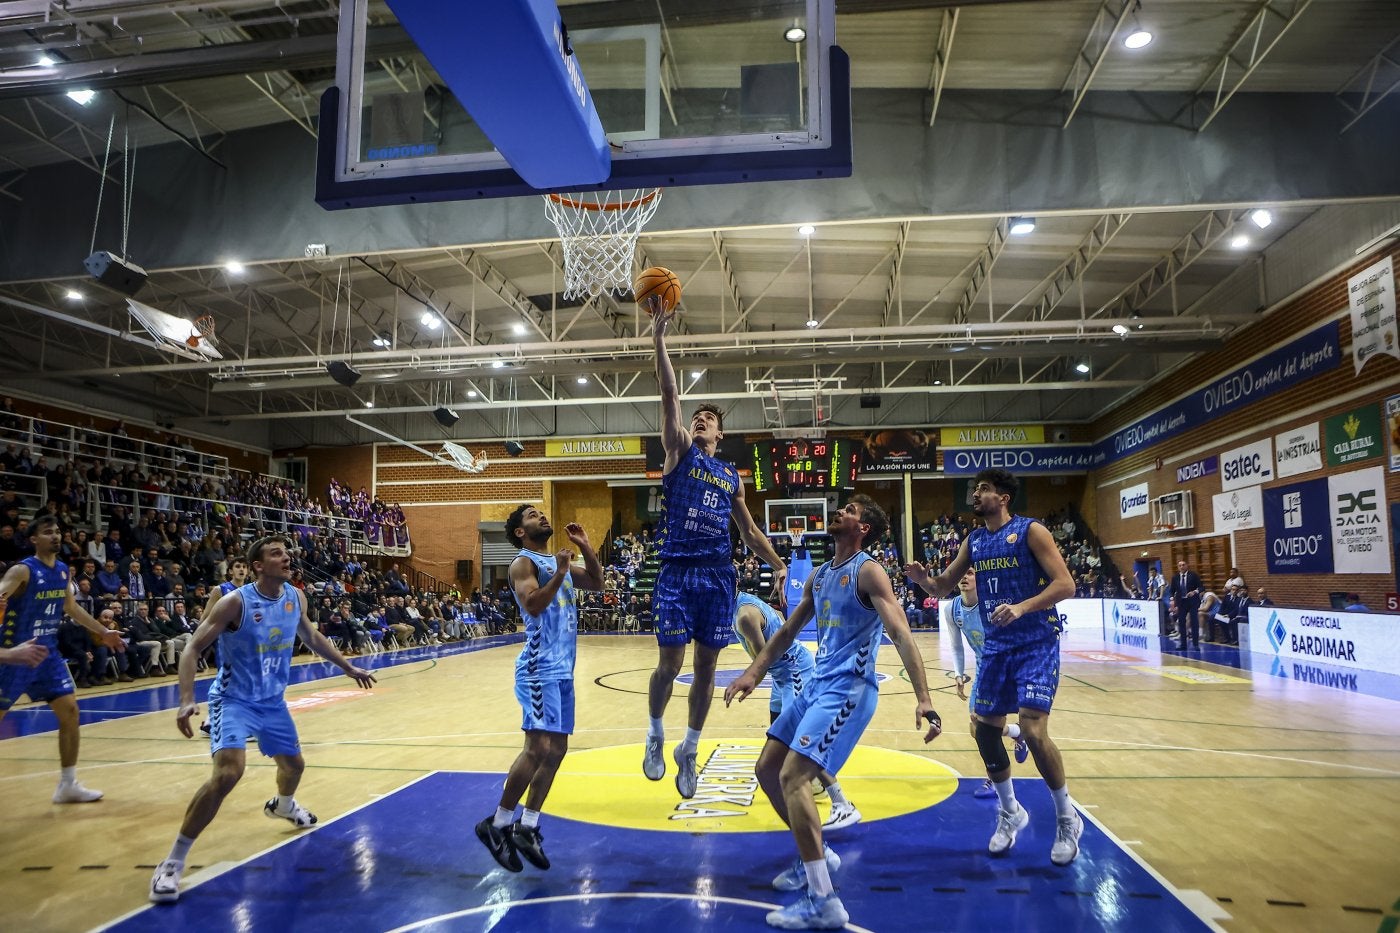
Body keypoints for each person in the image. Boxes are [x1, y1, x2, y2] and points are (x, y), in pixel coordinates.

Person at [725, 495, 939, 930]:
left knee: (793, 776)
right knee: (767, 769)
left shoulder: (869, 570)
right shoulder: (822, 575)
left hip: (849, 690)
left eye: (852, 511)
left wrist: (925, 697)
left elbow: (899, 631)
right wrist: (753, 672)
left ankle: (824, 901)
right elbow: (786, 631)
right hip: (819, 683)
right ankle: (814, 859)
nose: (840, 512)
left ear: (862, 529)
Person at [148, 535, 376, 904]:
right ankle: (172, 863)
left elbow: (312, 636)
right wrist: (186, 700)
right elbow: (192, 647)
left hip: (272, 703)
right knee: (227, 774)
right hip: (233, 700)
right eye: (276, 554)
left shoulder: (295, 597)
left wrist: (347, 667)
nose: (286, 558)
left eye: (287, 552)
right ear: (257, 566)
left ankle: (284, 806)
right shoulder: (234, 602)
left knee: (295, 766)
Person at [643, 296, 788, 799]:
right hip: (677, 571)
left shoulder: (730, 476)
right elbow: (668, 393)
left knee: (706, 666)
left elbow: (748, 532)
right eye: (697, 415)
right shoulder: (678, 451)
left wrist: (780, 564)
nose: (701, 419)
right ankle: (656, 732)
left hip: (718, 574)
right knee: (670, 664)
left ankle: (690, 746)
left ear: (721, 433)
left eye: (710, 418)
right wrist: (660, 340)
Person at [904, 468, 1080, 866]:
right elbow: (941, 588)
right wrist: (922, 579)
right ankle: (1010, 811)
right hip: (998, 647)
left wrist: (1021, 607)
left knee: (1034, 732)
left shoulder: (1031, 531)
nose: (975, 494)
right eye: (974, 489)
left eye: (982, 489)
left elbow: (1066, 584)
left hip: (1036, 642)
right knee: (984, 731)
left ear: (1003, 497)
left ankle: (1067, 819)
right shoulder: (976, 540)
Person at [474, 504, 602, 874]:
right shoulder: (523, 563)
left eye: (542, 513)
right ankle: (496, 824)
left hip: (562, 670)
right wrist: (561, 572)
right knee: (539, 746)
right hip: (538, 667)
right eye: (532, 515)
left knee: (558, 748)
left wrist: (586, 545)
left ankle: (527, 825)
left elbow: (597, 582)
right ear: (519, 531)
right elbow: (532, 606)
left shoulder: (553, 563)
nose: (542, 516)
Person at [0, 514, 127, 802]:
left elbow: (70, 607)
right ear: (34, 539)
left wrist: (103, 631)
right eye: (48, 532)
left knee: (70, 711)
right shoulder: (22, 571)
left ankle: (68, 784)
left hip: (47, 654)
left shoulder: (61, 571)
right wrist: (9, 653)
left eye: (58, 531)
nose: (56, 536)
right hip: (14, 655)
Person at [733, 591, 861, 831]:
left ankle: (841, 801)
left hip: (794, 671)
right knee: (776, 730)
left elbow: (765, 658)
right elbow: (779, 614)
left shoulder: (744, 616)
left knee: (800, 739)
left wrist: (747, 679)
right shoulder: (746, 603)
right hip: (783, 676)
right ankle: (794, 776)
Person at [940, 568, 1028, 798]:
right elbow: (957, 645)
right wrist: (959, 673)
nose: (964, 577)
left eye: (969, 572)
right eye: (961, 573)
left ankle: (994, 778)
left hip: (1007, 666)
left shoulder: (992, 604)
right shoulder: (953, 609)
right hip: (983, 668)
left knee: (986, 729)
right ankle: (1017, 733)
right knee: (975, 728)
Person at [1169, 559, 1203, 649]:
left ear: (1187, 565)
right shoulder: (1175, 577)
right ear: (1178, 567)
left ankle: (1196, 644)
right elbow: (1172, 591)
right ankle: (1183, 644)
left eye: (1183, 565)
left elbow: (1201, 587)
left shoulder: (1193, 575)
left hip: (1192, 601)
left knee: (1194, 622)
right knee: (1181, 622)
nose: (1182, 567)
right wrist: (1172, 600)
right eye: (1180, 565)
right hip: (1181, 602)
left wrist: (1195, 592)